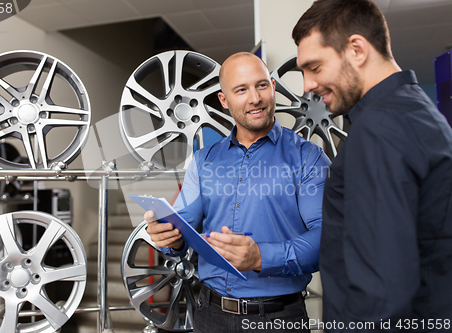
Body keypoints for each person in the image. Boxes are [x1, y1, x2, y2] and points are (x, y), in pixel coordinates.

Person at [292, 0, 452, 331]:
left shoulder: (379, 130)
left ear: (357, 50)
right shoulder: (416, 111)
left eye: (315, 67)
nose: (307, 85)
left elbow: (379, 293)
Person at [145, 52, 330, 332]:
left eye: (262, 85)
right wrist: (168, 238)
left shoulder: (309, 158)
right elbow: (183, 228)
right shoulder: (204, 161)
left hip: (279, 319)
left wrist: (260, 258)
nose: (254, 98)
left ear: (273, 88)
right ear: (224, 100)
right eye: (241, 90)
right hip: (210, 315)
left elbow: (328, 239)